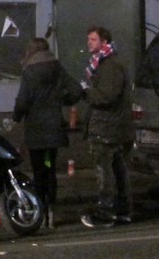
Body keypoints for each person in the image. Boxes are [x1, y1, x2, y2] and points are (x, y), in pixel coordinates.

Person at [12, 37, 83, 229]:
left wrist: (16, 116)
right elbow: (76, 90)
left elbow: (23, 100)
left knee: (38, 171)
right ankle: (51, 209)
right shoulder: (57, 68)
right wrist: (63, 100)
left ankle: (41, 210)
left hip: (36, 130)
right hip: (53, 130)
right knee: (49, 168)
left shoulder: (29, 71)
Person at [79, 26, 134, 228]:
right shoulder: (104, 63)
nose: (89, 42)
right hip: (114, 127)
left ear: (104, 42)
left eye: (93, 39)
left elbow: (107, 96)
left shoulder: (109, 65)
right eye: (88, 39)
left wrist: (86, 91)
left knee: (106, 172)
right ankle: (123, 211)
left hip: (107, 128)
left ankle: (106, 212)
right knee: (118, 171)